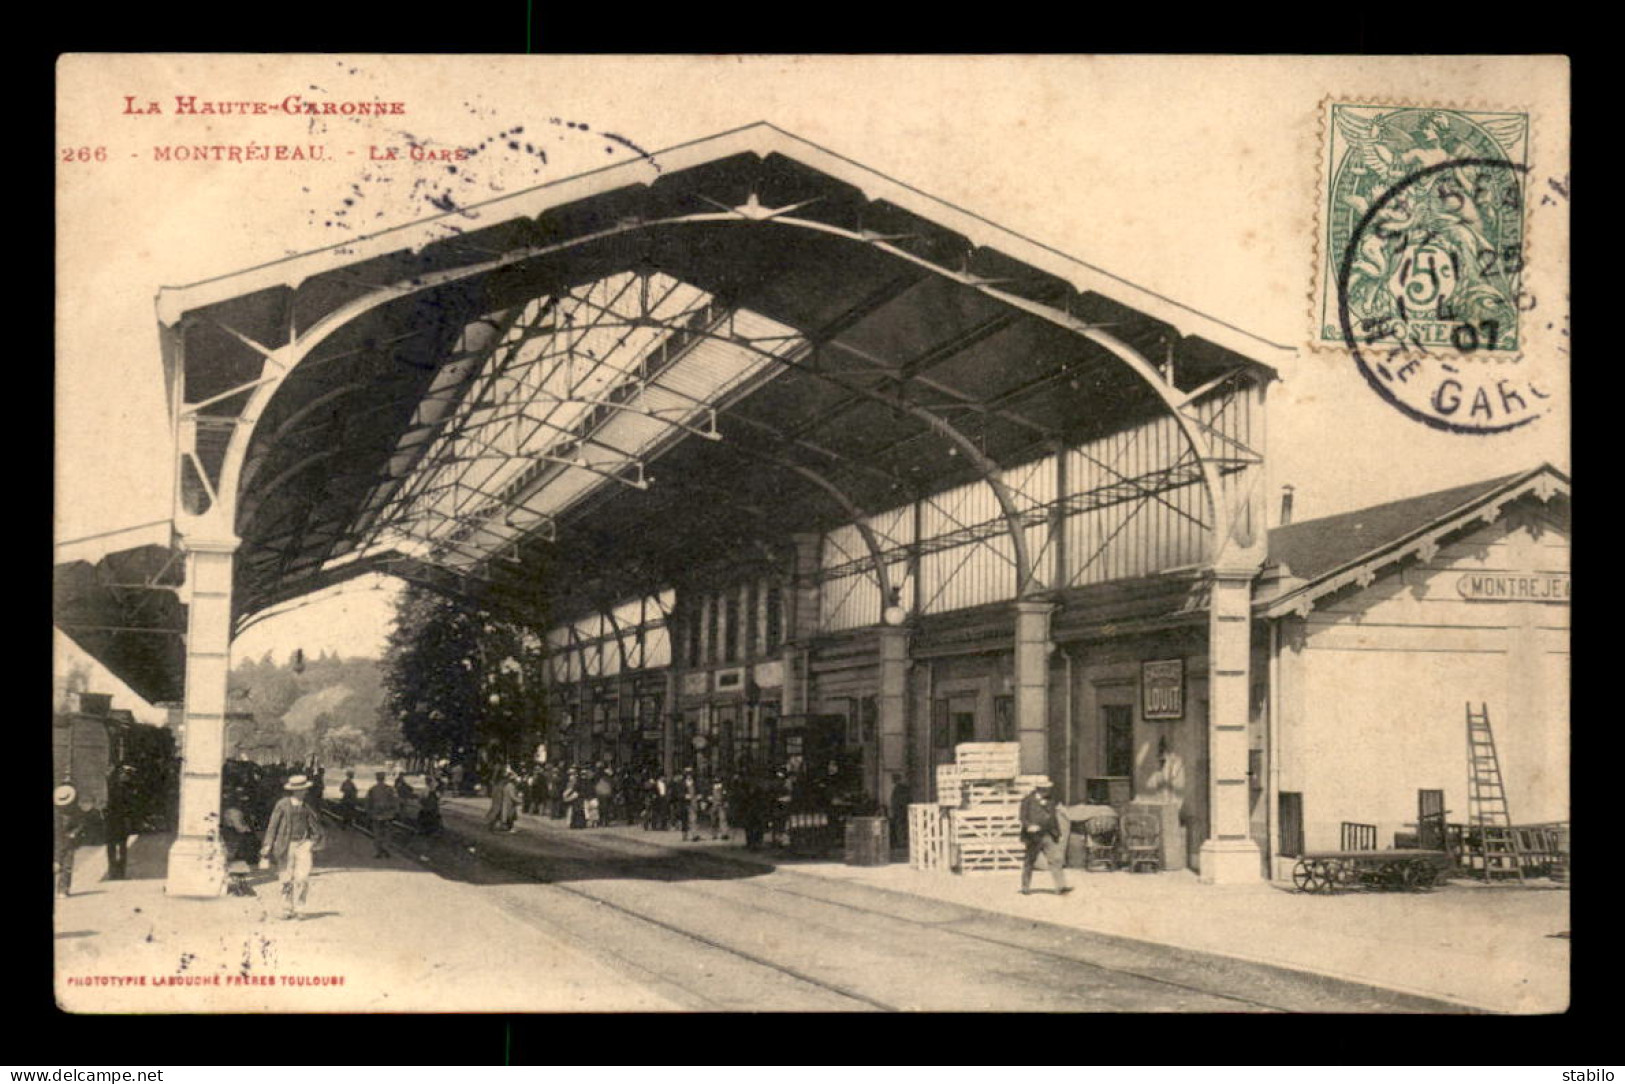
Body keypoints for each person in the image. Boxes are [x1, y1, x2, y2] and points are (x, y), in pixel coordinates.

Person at [259, 774, 326, 919]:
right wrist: (268, 844)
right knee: (286, 878)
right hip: (285, 845)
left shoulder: (306, 807)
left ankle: (300, 908)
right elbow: (273, 825)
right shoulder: (282, 804)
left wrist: (311, 842)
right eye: (303, 789)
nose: (306, 792)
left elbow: (315, 826)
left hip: (303, 845)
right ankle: (287, 908)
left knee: (302, 878)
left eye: (306, 789)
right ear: (295, 791)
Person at [1018, 777, 1070, 896]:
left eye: (1048, 788)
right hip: (1033, 837)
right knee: (1029, 861)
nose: (1048, 791)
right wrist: (1029, 826)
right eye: (1045, 788)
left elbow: (1053, 818)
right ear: (1038, 789)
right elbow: (1022, 817)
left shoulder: (1051, 800)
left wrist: (1058, 833)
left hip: (1048, 834)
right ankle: (1025, 887)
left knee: (1056, 860)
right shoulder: (1027, 801)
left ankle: (1060, 886)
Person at [53, 784, 87, 899]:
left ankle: (63, 889)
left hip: (68, 841)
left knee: (67, 865)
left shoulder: (76, 811)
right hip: (57, 839)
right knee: (57, 865)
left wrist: (75, 833)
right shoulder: (56, 812)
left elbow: (81, 824)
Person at [103, 764, 135, 880]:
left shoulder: (125, 788)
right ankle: (115, 872)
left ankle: (118, 872)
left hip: (118, 821)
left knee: (118, 847)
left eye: (128, 775)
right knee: (116, 847)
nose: (127, 777)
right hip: (115, 821)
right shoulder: (116, 787)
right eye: (125, 774)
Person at [365, 771, 399, 857]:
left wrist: (369, 812)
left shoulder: (372, 789)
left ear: (376, 778)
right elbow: (395, 801)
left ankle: (378, 851)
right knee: (387, 832)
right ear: (384, 778)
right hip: (388, 815)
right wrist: (395, 812)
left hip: (376, 815)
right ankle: (386, 849)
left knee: (377, 833)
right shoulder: (390, 789)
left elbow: (368, 802)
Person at [887, 772, 913, 850]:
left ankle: (902, 842)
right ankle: (902, 841)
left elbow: (898, 801)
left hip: (900, 811)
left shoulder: (899, 788)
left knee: (900, 826)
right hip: (901, 810)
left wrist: (895, 809)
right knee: (900, 826)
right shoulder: (901, 788)